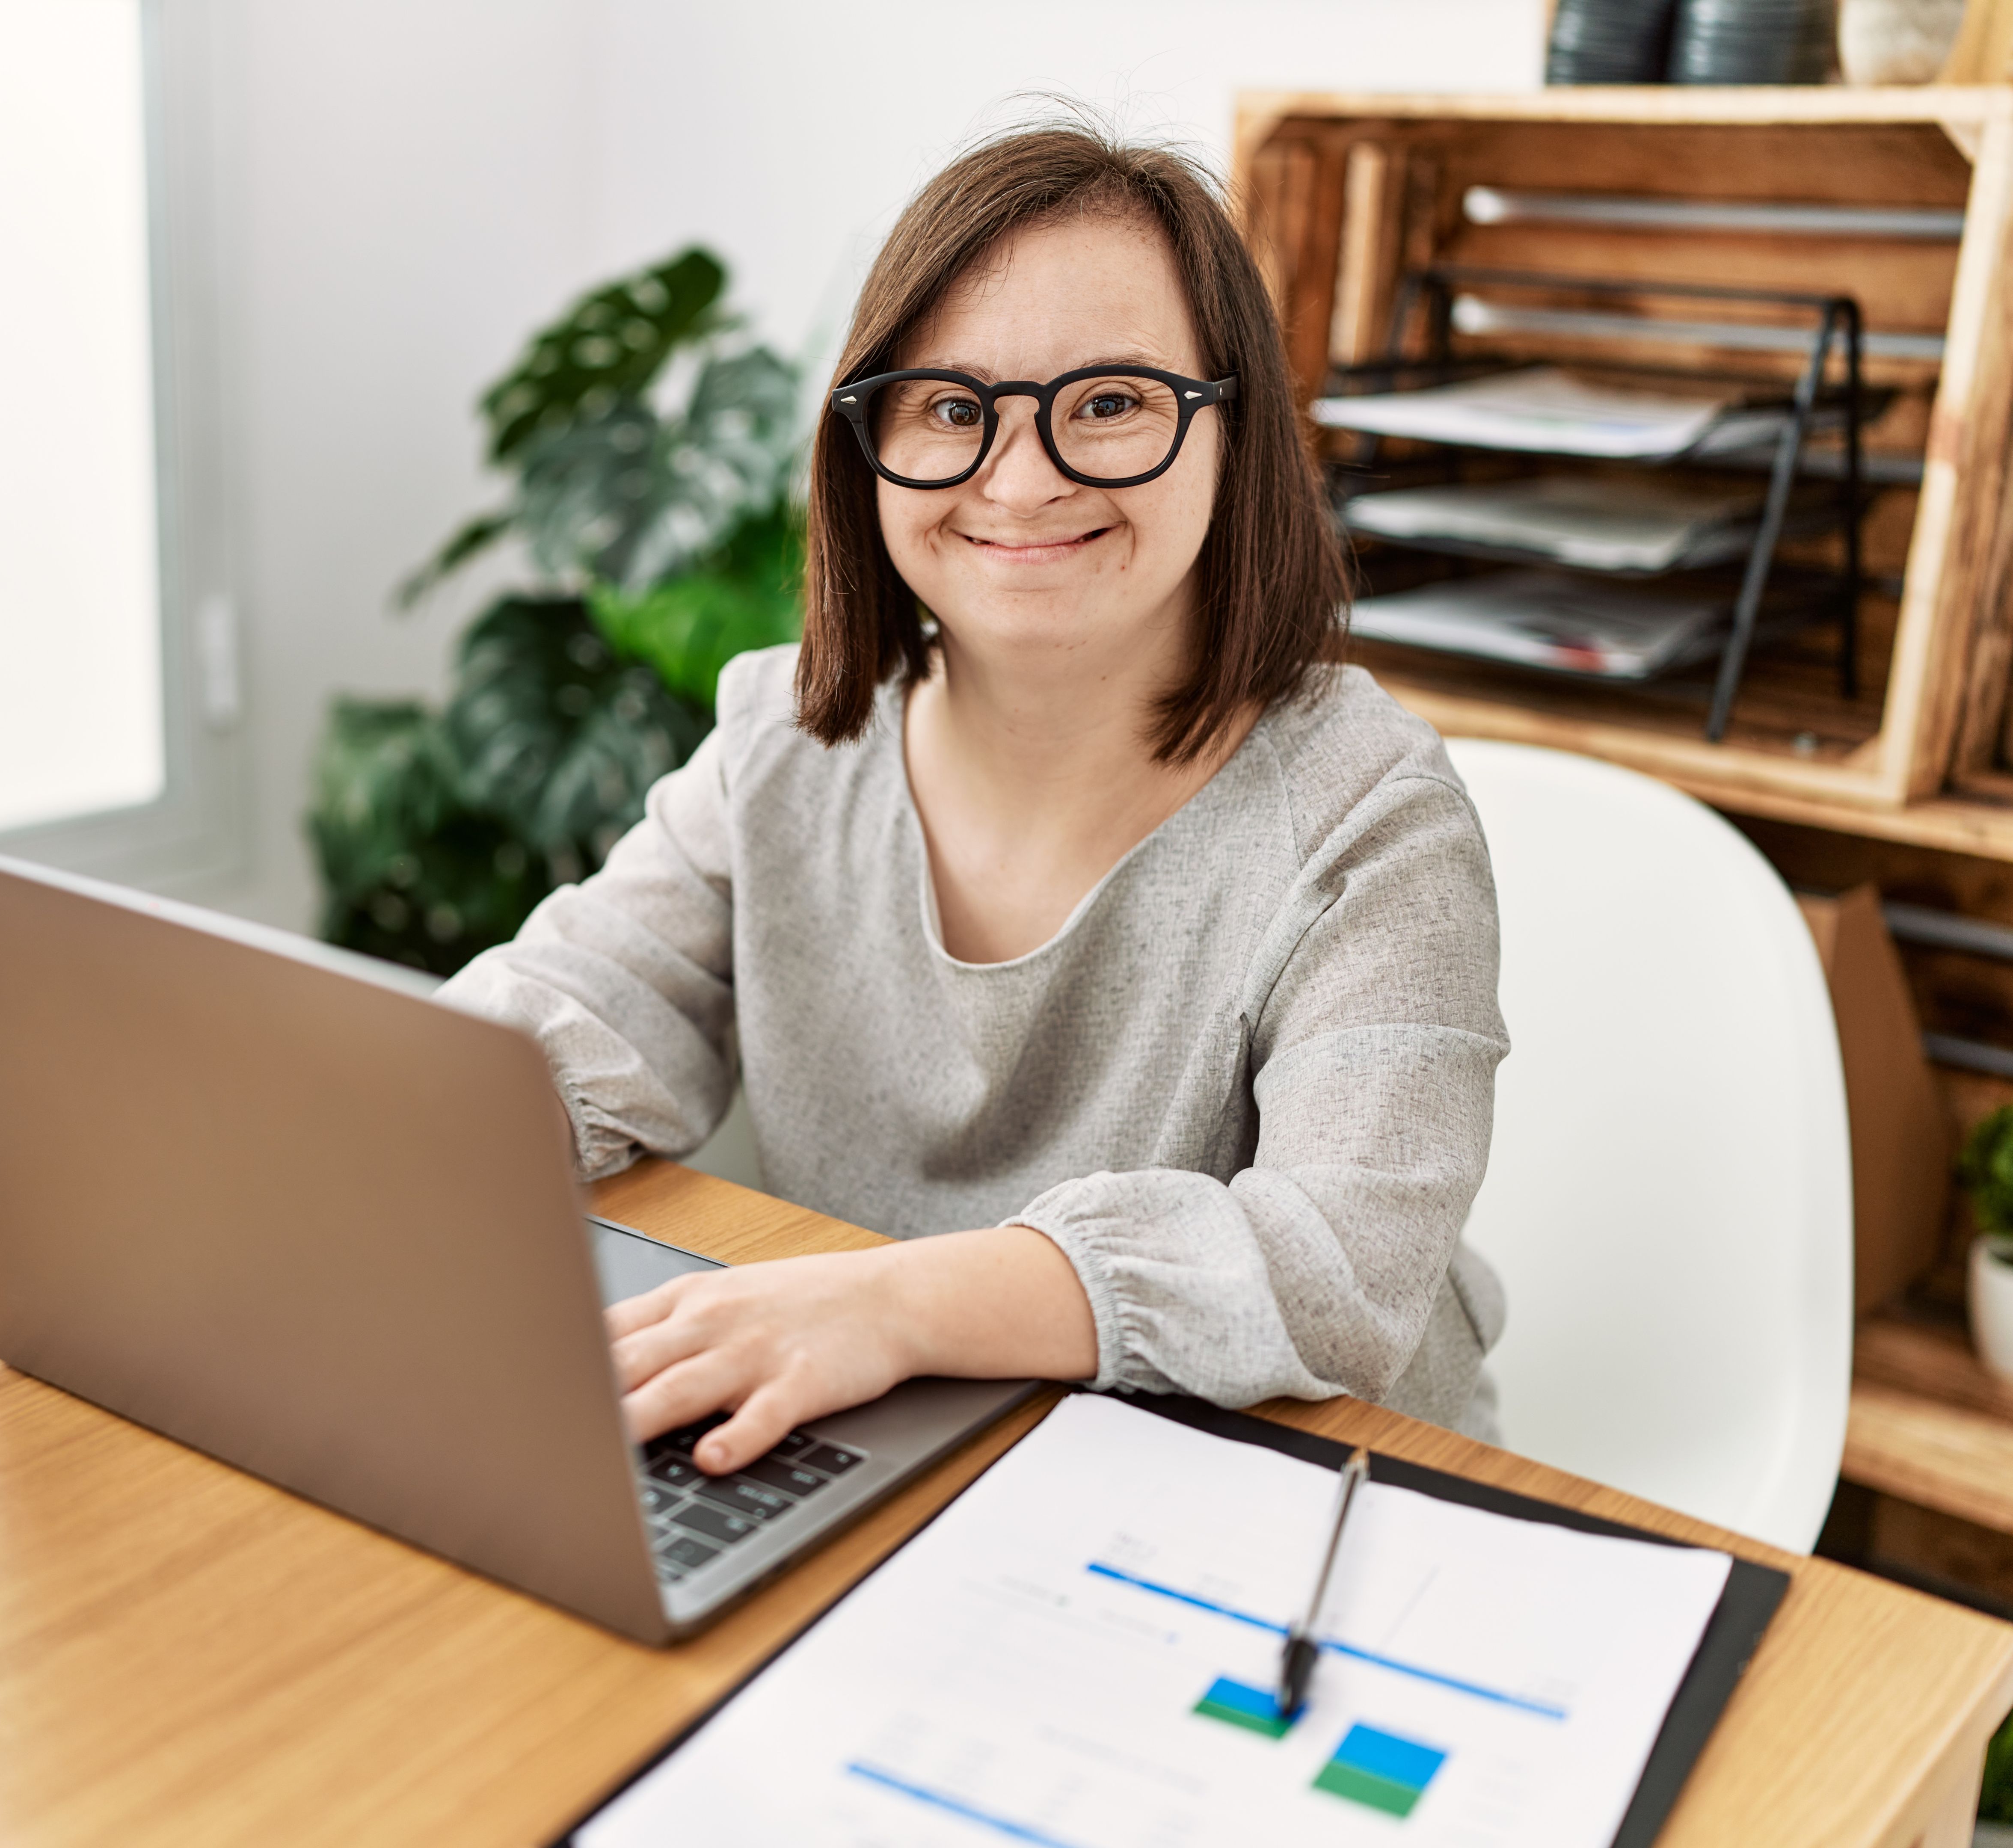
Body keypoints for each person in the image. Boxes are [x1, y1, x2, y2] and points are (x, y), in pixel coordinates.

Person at [442, 121, 1507, 1479]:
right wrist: (371, 1126)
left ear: (1233, 431)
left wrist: (893, 1307)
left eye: (1111, 401)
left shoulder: (1369, 808)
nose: (1019, 479)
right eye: (951, 408)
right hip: (913, 1447)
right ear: (866, 442)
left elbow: (1337, 1264)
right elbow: (578, 1011)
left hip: (1294, 1489)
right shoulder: (783, 742)